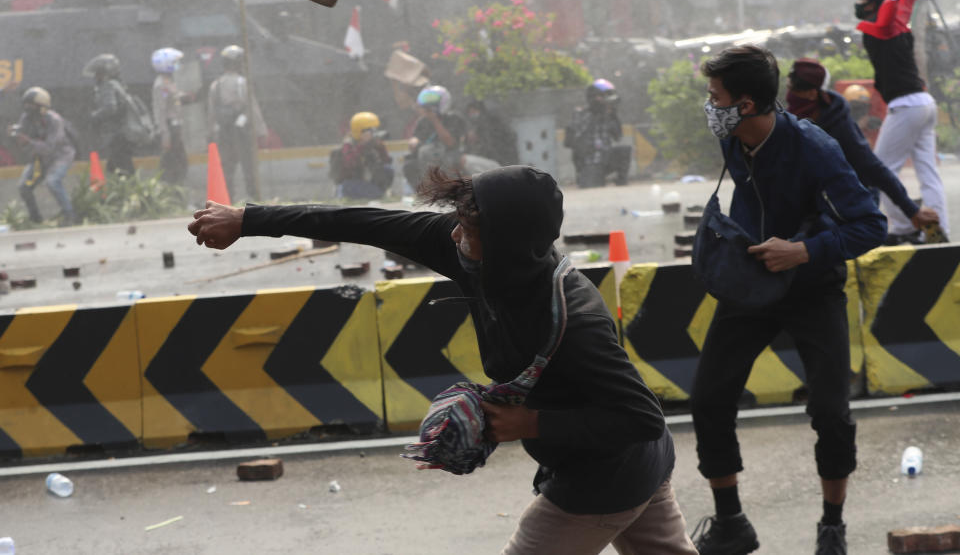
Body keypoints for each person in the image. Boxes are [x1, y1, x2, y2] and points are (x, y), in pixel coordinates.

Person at [188, 165, 698, 554]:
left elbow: (640, 416)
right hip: (631, 468)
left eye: (468, 227)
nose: (454, 235)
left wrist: (531, 422)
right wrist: (248, 220)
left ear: (508, 240)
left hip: (608, 477)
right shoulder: (472, 253)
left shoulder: (574, 320)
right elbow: (366, 223)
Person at [690, 46, 886, 555]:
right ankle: (731, 523)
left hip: (812, 286)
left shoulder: (813, 148)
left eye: (716, 97)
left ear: (747, 103)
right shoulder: (732, 136)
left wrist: (802, 250)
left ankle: (832, 525)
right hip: (750, 284)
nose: (709, 106)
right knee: (708, 399)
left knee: (831, 411)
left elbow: (871, 225)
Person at [786, 58, 940, 242]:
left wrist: (911, 210)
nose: (790, 95)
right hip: (812, 203)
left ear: (812, 93)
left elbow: (871, 166)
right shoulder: (788, 122)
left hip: (851, 199)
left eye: (794, 90)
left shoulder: (838, 124)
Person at [856, 0, 949, 243]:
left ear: (872, 4)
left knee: (881, 173)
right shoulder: (899, 26)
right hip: (924, 103)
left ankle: (906, 227)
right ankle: (938, 227)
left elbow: (891, 3)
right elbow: (897, 1)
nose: (857, 4)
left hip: (906, 106)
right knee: (928, 172)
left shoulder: (878, 29)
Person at [207, 45, 267, 200]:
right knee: (248, 164)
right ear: (237, 63)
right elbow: (251, 107)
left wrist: (212, 133)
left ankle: (229, 198)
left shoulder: (216, 85)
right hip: (241, 130)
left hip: (224, 130)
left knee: (227, 165)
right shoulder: (242, 83)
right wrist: (261, 131)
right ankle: (255, 196)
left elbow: (212, 112)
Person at [11, 87, 77, 226]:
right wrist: (16, 135)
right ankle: (36, 218)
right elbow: (23, 138)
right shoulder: (26, 118)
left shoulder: (54, 120)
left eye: (31, 104)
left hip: (60, 156)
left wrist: (29, 141)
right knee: (24, 186)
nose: (27, 108)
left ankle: (70, 215)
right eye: (26, 104)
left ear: (41, 106)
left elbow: (50, 147)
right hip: (39, 158)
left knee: (52, 181)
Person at [565, 79, 632, 188]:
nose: (604, 100)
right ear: (593, 97)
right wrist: (596, 113)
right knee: (593, 187)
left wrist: (613, 115)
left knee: (624, 151)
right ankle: (585, 177)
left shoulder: (608, 115)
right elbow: (570, 140)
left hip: (606, 157)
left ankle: (621, 182)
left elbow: (617, 136)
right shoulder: (581, 114)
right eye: (602, 97)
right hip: (590, 161)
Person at [402, 85, 467, 189]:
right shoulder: (423, 121)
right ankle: (425, 192)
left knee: (448, 161)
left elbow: (450, 142)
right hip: (428, 154)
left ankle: (451, 188)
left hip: (450, 153)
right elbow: (417, 137)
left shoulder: (454, 118)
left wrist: (435, 120)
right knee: (410, 165)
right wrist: (413, 141)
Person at [84, 52, 133, 174]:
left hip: (116, 134)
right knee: (119, 165)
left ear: (105, 73)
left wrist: (94, 116)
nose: (96, 76)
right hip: (123, 133)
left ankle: (127, 191)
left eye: (98, 73)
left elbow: (110, 107)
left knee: (119, 167)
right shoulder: (118, 85)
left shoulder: (108, 86)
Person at [333, 111, 394, 199]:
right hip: (352, 181)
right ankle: (379, 194)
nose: (373, 133)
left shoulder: (373, 143)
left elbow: (387, 161)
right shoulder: (349, 143)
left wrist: (380, 147)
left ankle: (380, 192)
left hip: (369, 180)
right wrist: (363, 145)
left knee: (388, 169)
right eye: (370, 130)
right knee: (350, 187)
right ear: (359, 131)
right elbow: (350, 163)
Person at [151, 47, 188, 184]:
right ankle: (173, 194)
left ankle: (176, 193)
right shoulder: (161, 85)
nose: (177, 65)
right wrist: (165, 135)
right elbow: (160, 110)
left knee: (179, 163)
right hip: (170, 128)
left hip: (175, 127)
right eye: (175, 62)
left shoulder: (168, 82)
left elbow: (174, 97)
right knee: (174, 164)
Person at [464, 99, 519, 167]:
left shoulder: (490, 122)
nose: (472, 115)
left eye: (473, 111)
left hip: (503, 157)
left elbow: (491, 143)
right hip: (499, 159)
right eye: (470, 113)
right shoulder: (480, 125)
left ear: (480, 111)